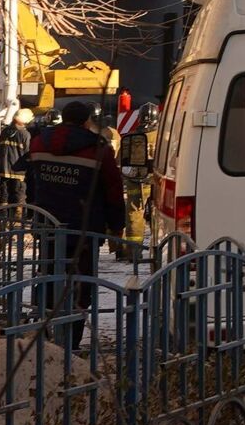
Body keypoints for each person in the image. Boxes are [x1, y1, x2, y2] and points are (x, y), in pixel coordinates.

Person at [22, 99, 126, 345]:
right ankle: (70, 343)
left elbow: (31, 183)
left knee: (47, 276)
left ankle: (44, 338)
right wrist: (116, 225)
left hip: (47, 225)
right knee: (80, 283)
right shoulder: (98, 149)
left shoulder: (38, 143)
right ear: (87, 120)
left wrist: (34, 213)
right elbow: (113, 189)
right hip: (85, 229)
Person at [121, 101, 159, 257]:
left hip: (135, 181)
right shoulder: (164, 135)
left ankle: (133, 251)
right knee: (158, 216)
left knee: (134, 214)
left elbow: (122, 161)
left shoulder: (131, 137)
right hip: (157, 182)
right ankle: (157, 250)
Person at [0, 107, 33, 206]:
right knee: (18, 196)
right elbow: (28, 153)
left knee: (4, 195)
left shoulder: (4, 131)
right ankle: (17, 219)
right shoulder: (25, 134)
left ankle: (2, 217)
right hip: (18, 171)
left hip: (3, 170)